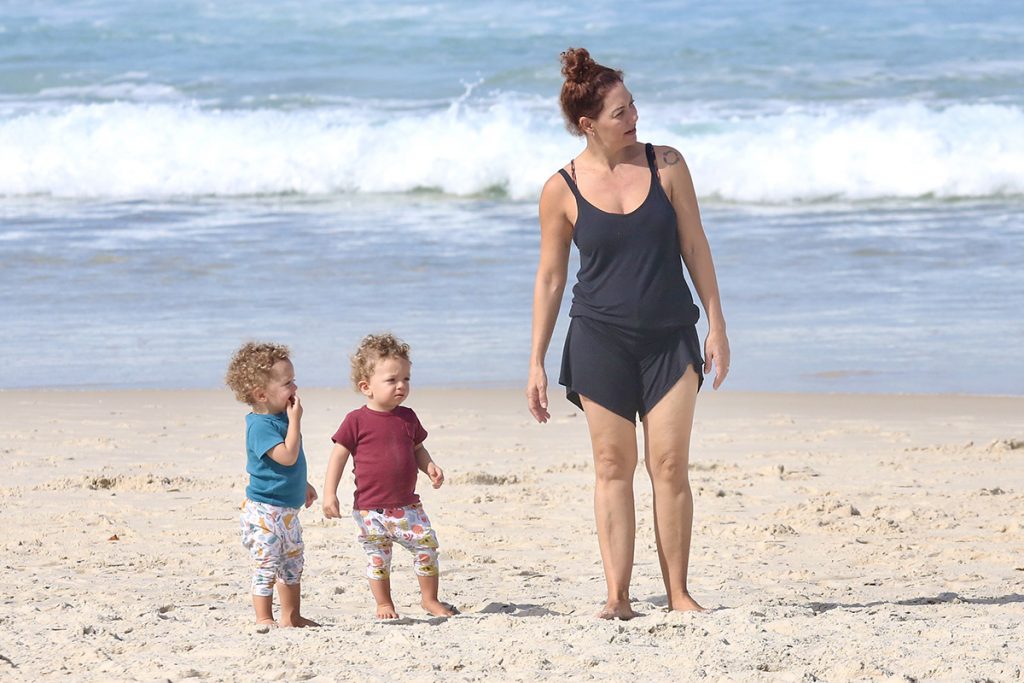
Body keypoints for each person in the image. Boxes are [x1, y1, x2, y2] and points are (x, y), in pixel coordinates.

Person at [526, 48, 731, 619]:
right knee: (612, 467)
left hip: (670, 337)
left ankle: (678, 593)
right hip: (599, 340)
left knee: (669, 465)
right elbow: (550, 278)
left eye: (633, 105)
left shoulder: (667, 165)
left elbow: (695, 246)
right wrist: (536, 360)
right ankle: (617, 597)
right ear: (588, 124)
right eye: (621, 112)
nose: (635, 117)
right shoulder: (561, 188)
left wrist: (716, 323)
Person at [322, 333, 455, 620]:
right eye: (392, 380)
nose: (401, 385)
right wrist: (329, 493)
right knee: (378, 558)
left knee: (426, 546)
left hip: (408, 505)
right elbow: (338, 457)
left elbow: (418, 449)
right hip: (370, 509)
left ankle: (429, 599)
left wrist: (429, 466)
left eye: (406, 379)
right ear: (366, 387)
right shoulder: (356, 420)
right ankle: (384, 604)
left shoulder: (408, 417)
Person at [225, 342, 320, 629]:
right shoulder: (260, 427)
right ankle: (263, 617)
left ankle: (291, 616)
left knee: (292, 564)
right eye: (287, 383)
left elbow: (286, 467)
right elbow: (287, 456)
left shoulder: (281, 419)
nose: (295, 387)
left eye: (294, 380)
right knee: (267, 565)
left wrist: (303, 484)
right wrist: (296, 421)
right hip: (264, 514)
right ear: (261, 394)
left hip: (288, 512)